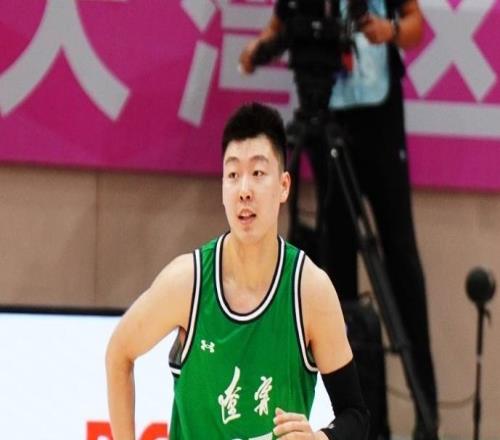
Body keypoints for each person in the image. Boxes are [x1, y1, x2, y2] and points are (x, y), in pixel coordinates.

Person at [106, 102, 370, 439]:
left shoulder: (310, 291)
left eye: (258, 173)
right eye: (233, 175)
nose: (244, 190)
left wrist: (321, 438)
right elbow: (119, 353)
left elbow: (355, 415)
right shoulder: (188, 282)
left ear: (284, 186)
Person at [239, 2, 439, 440]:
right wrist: (258, 49)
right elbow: (279, 26)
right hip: (327, 113)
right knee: (336, 270)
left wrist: (388, 30)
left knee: (400, 257)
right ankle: (355, 418)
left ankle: (428, 415)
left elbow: (414, 24)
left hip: (379, 119)